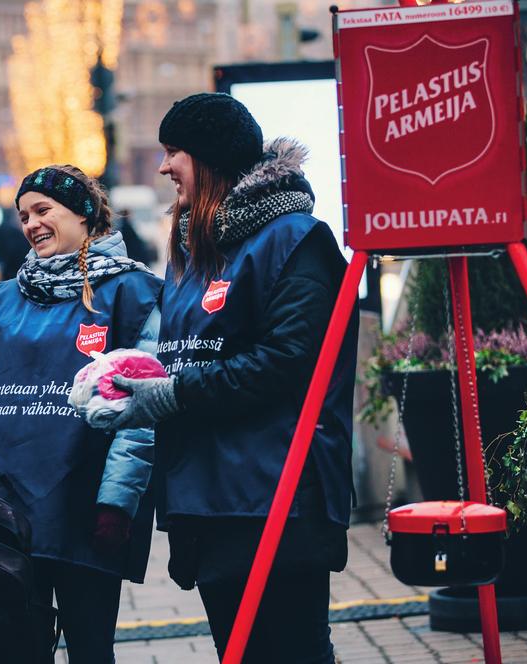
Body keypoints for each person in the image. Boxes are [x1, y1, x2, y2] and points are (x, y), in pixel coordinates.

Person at [107, 93, 358, 663]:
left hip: (278, 497)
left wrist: (171, 394)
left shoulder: (296, 241)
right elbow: (190, 351)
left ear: (213, 157)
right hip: (210, 499)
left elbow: (287, 363)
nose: (164, 166)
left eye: (176, 152)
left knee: (292, 651)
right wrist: (135, 378)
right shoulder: (199, 247)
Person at [0, 165, 162, 662]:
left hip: (84, 510)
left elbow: (140, 414)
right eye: (23, 216)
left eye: (43, 210)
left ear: (83, 212)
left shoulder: (131, 293)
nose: (32, 224)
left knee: (90, 649)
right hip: (2, 511)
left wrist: (117, 501)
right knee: (16, 648)